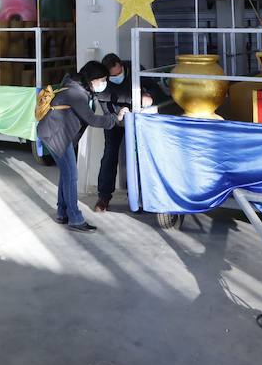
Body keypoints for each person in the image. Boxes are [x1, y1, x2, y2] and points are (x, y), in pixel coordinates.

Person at [37, 60, 123, 233]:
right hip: (55, 136)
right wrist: (116, 117)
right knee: (72, 175)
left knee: (67, 173)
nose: (104, 83)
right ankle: (75, 219)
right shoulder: (76, 93)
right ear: (92, 79)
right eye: (102, 79)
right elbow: (92, 119)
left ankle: (62, 212)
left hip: (54, 134)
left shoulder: (77, 87)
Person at [94, 53, 166, 212]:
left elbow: (155, 87)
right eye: (112, 76)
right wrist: (118, 116)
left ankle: (142, 197)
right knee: (109, 155)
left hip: (137, 116)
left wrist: (149, 95)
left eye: (118, 74)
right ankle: (104, 197)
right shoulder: (102, 81)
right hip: (115, 119)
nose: (116, 77)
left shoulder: (135, 69)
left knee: (141, 155)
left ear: (121, 65)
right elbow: (106, 110)